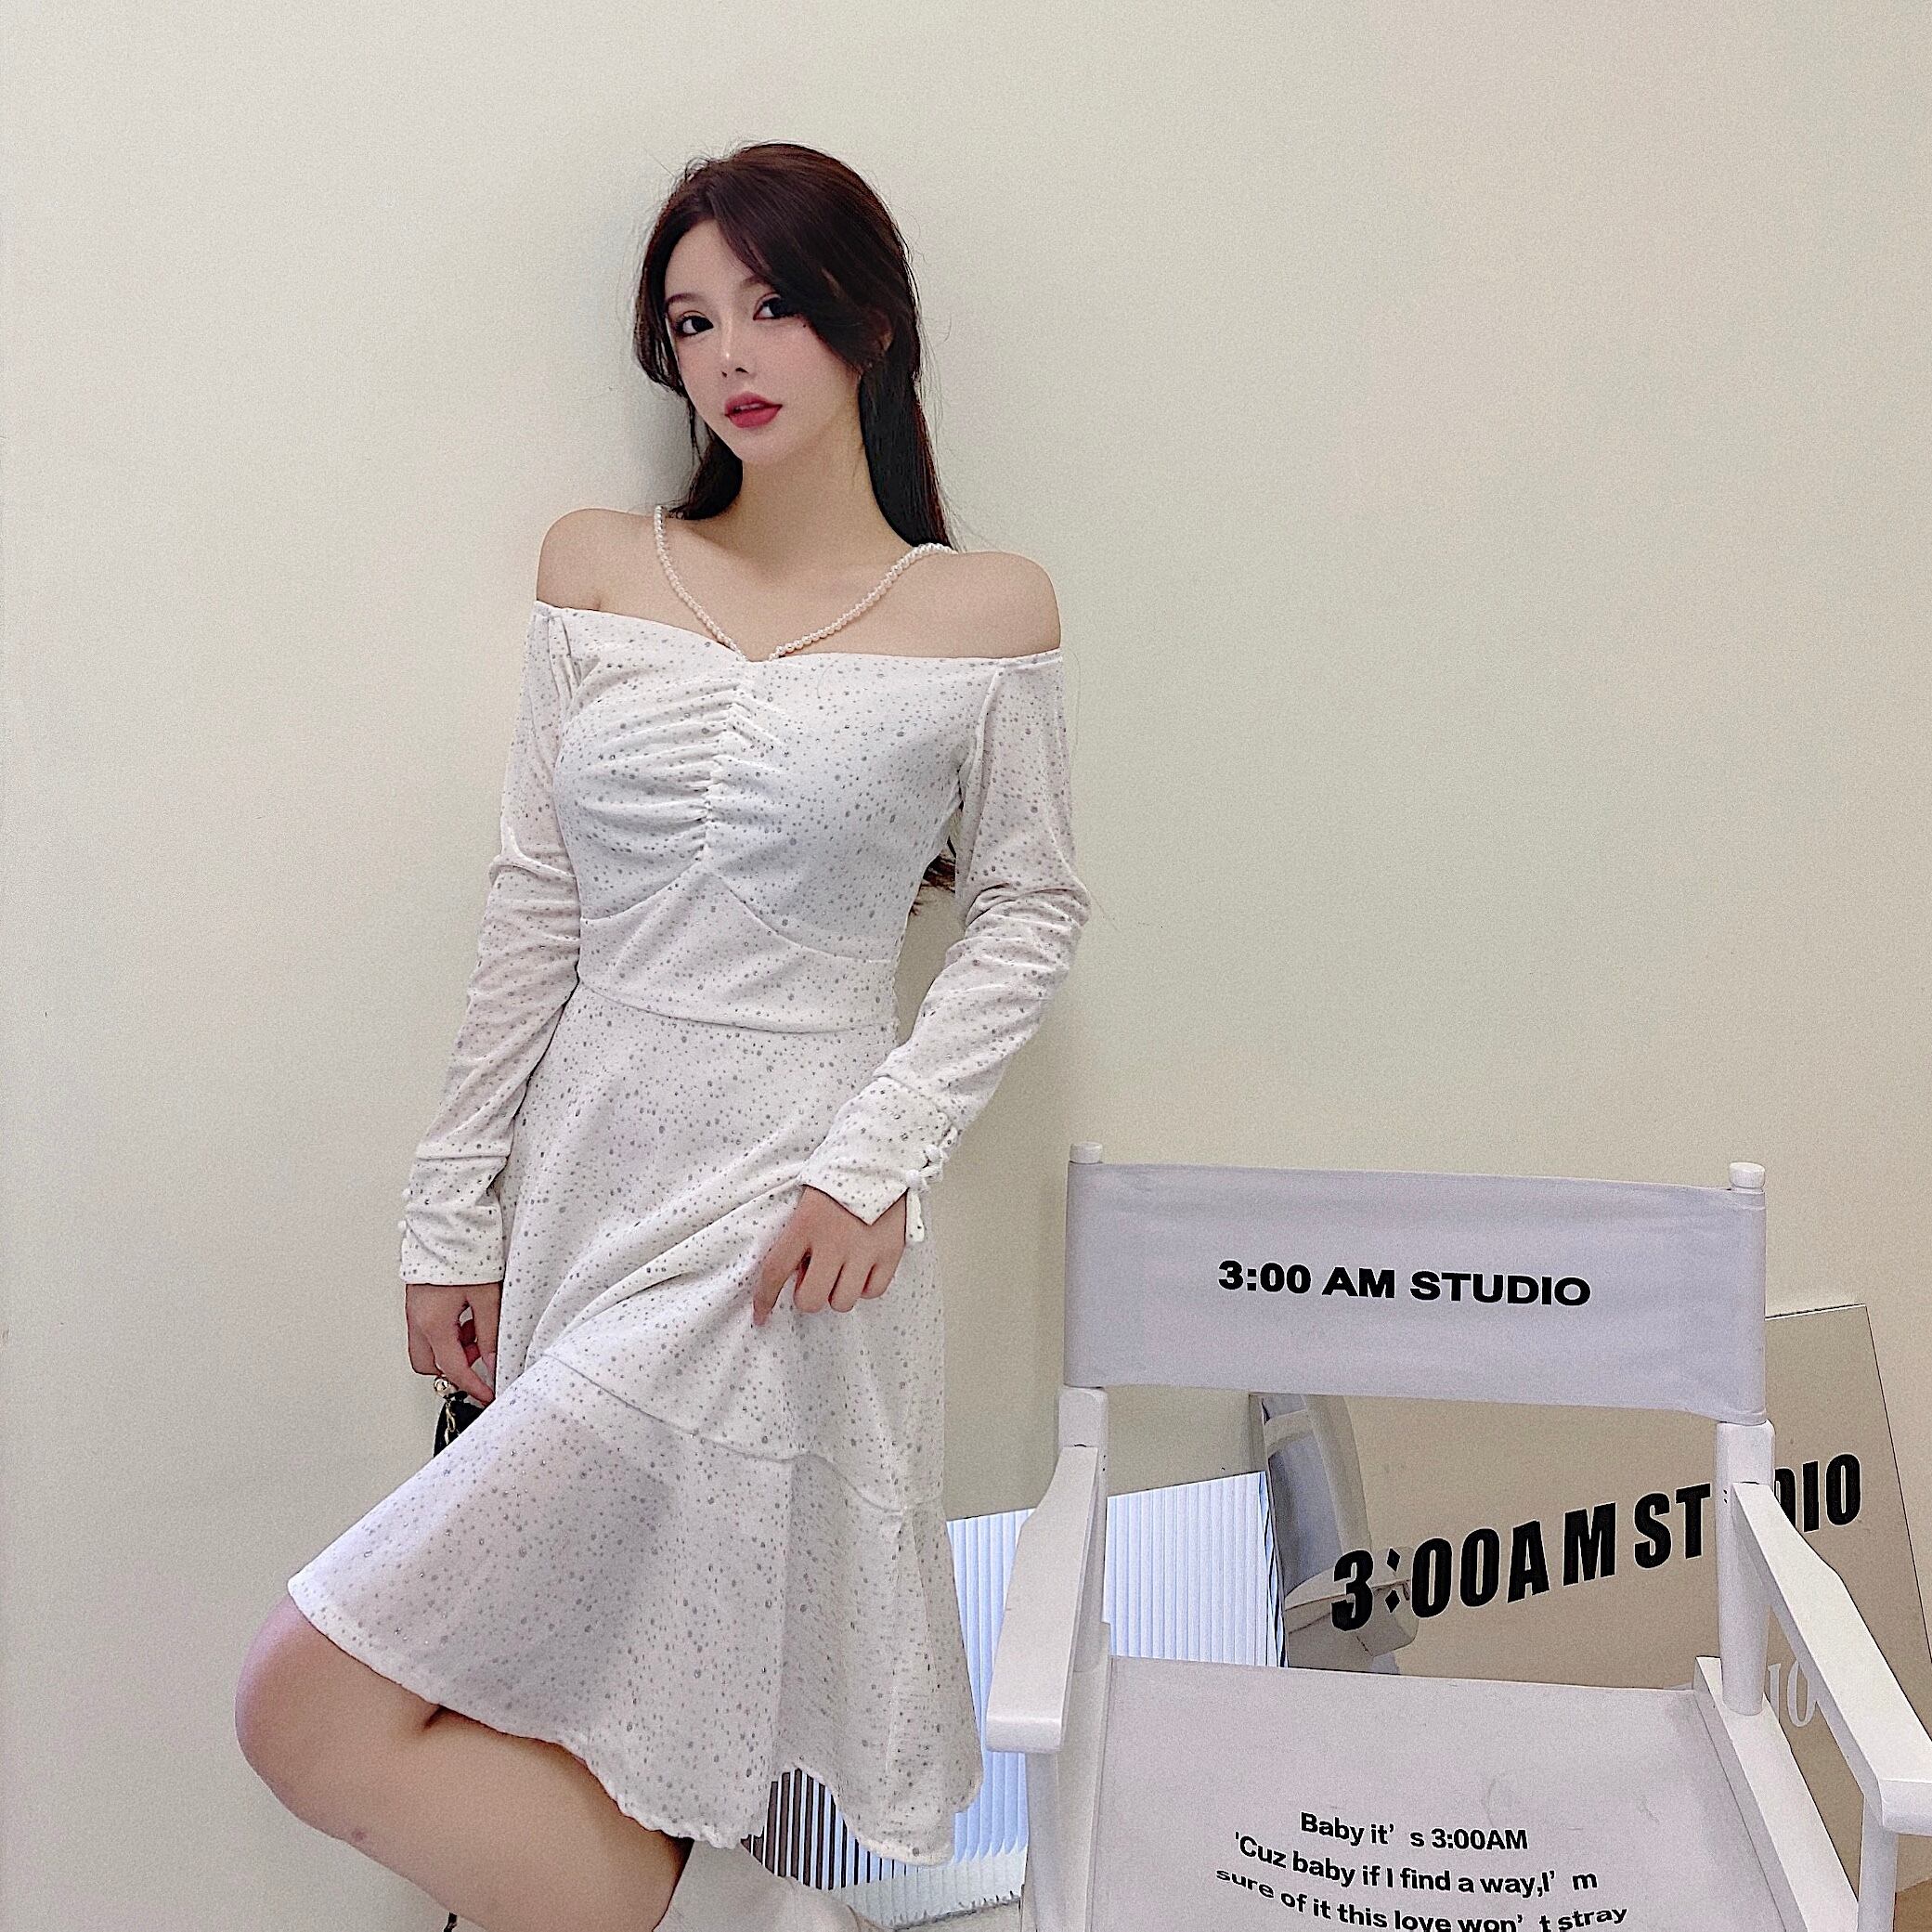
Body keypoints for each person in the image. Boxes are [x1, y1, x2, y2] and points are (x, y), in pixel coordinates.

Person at [233, 139, 1094, 1932]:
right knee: (565, 1700)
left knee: (305, 1705)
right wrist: (449, 1215)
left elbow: (1028, 908)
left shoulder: (987, 607)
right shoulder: (599, 568)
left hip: (792, 1222)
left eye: (772, 306)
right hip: (593, 1168)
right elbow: (533, 903)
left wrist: (877, 1163)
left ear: (868, 323)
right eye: (692, 323)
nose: (732, 355)